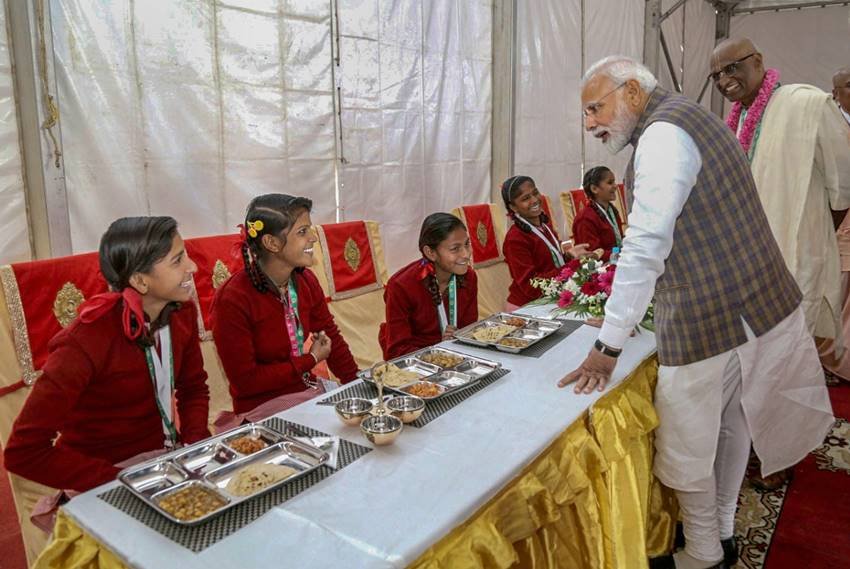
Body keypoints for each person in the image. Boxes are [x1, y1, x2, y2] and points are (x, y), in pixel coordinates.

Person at [561, 55, 834, 569]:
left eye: (596, 108)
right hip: (750, 304)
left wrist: (608, 344)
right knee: (733, 422)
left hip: (710, 314)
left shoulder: (663, 137)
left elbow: (645, 245)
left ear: (634, 94)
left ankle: (705, 552)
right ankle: (724, 531)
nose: (590, 122)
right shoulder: (689, 116)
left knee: (687, 438)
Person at [4, 217, 211, 493]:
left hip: (163, 466)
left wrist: (193, 449)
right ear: (140, 281)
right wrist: (116, 481)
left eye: (184, 255)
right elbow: (23, 452)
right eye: (177, 261)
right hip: (104, 479)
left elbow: (194, 388)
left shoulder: (181, 314)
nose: (192, 267)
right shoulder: (85, 341)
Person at [710, 38, 850, 350]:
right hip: (748, 263)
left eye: (732, 68)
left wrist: (811, 228)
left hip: (795, 256)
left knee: (788, 357)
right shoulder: (735, 120)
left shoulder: (807, 103)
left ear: (758, 61)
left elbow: (844, 182)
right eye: (716, 75)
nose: (724, 80)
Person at [211, 194, 358, 421]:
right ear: (272, 243)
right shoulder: (233, 299)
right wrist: (309, 360)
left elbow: (332, 338)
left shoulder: (306, 281)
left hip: (306, 391)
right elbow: (246, 382)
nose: (313, 238)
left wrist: (356, 384)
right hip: (261, 409)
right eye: (302, 232)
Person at [379, 213, 478, 359]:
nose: (466, 254)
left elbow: (469, 330)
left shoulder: (469, 277)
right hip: (415, 365)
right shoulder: (401, 286)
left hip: (455, 357)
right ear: (430, 253)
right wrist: (437, 352)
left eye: (467, 244)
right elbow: (397, 350)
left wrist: (459, 338)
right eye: (455, 248)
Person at [502, 175, 589, 310]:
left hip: (548, 299)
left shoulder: (544, 225)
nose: (535, 200)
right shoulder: (515, 239)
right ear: (513, 207)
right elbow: (531, 285)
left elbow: (549, 265)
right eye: (525, 198)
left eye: (535, 193)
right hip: (526, 306)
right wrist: (572, 266)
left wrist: (568, 256)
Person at [571, 166, 624, 262]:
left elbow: (618, 240)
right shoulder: (585, 219)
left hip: (617, 262)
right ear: (594, 189)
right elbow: (592, 255)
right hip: (599, 271)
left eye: (614, 182)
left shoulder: (612, 210)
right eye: (610, 182)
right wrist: (621, 254)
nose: (615, 186)